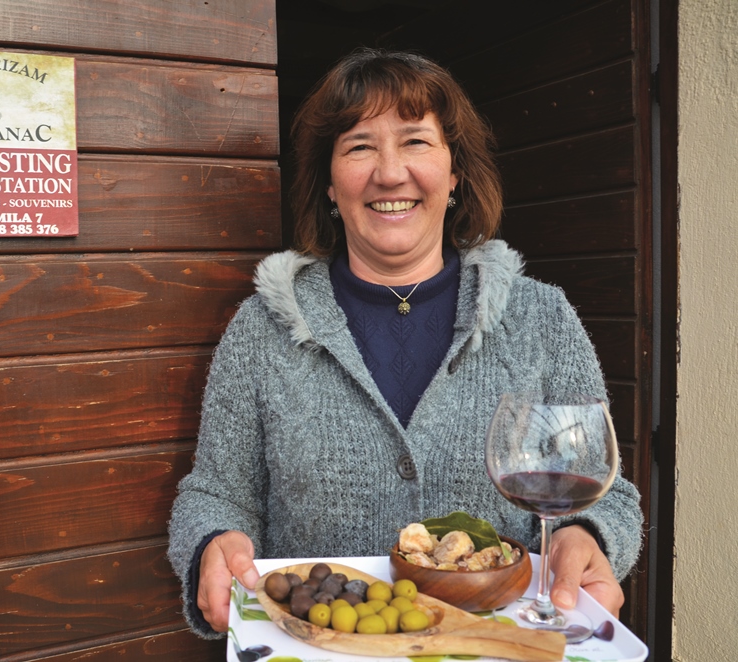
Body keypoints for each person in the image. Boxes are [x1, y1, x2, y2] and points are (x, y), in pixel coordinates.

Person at [167, 48, 643, 637]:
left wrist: (586, 536)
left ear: (455, 173)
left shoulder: (539, 317)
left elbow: (605, 491)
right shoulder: (261, 329)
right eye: (359, 146)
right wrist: (215, 543)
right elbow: (215, 494)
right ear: (328, 187)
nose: (390, 173)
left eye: (416, 142)